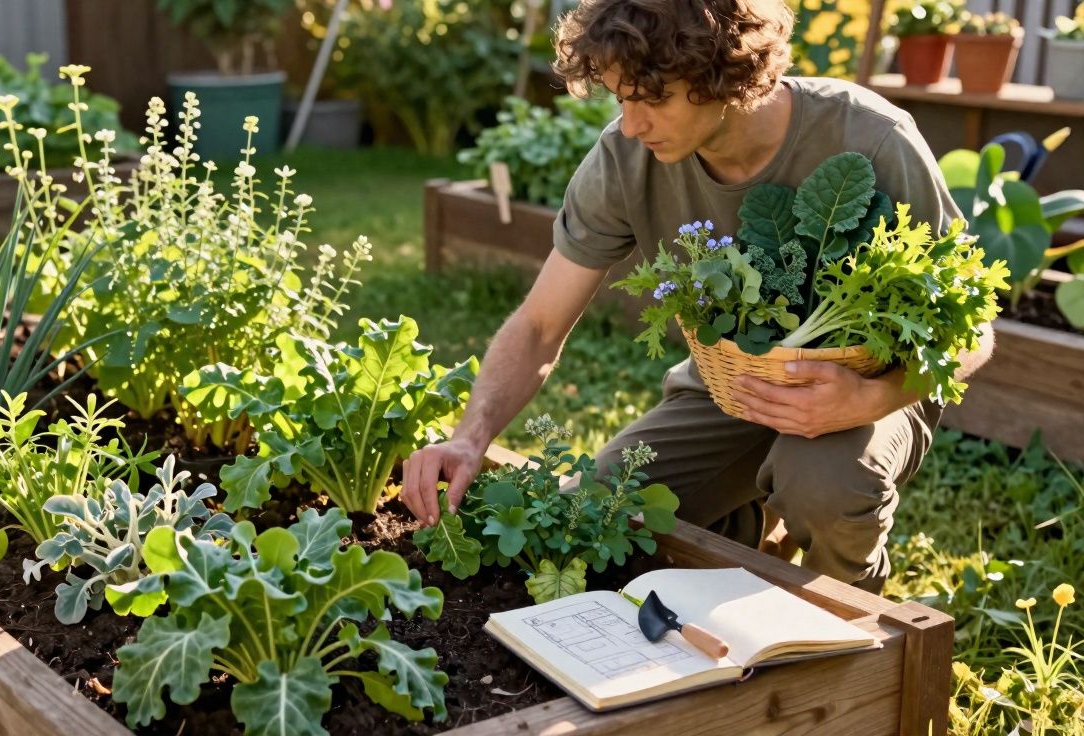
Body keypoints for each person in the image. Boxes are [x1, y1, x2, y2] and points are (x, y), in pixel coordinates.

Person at [400, 0, 994, 594]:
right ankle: (743, 521)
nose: (632, 124)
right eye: (620, 97)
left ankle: (850, 620)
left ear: (724, 74)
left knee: (823, 487)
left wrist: (867, 398)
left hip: (867, 389)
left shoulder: (868, 138)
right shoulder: (625, 157)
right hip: (730, 390)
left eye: (653, 98)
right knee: (598, 515)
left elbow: (973, 331)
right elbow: (538, 326)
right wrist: (469, 436)